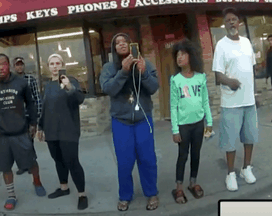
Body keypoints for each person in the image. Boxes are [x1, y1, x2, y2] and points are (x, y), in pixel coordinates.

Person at [100, 33, 159, 211]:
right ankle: (125, 195)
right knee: (124, 162)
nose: (122, 45)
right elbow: (109, 89)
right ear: (114, 49)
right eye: (117, 43)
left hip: (143, 119)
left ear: (131, 44)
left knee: (148, 159)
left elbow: (154, 87)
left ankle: (151, 193)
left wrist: (143, 73)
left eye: (124, 41)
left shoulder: (145, 63)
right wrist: (123, 72)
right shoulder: (109, 68)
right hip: (121, 122)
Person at [0, 53, 46, 210]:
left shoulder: (20, 83)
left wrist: (33, 123)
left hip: (21, 132)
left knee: (31, 162)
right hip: (2, 135)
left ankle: (37, 182)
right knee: (5, 168)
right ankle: (11, 195)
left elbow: (31, 103)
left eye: (4, 64)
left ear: (8, 66)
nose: (1, 67)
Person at [212, 8, 258, 192]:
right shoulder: (221, 45)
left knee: (250, 138)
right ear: (224, 25)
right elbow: (217, 75)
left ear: (239, 22)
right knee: (230, 141)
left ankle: (246, 168)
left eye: (234, 19)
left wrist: (253, 90)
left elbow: (252, 68)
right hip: (231, 103)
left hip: (249, 101)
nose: (232, 22)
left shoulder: (247, 42)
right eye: (228, 20)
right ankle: (230, 173)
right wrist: (230, 82)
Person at [37, 54, 87, 210]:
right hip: (52, 130)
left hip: (68, 130)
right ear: (48, 66)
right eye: (51, 63)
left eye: (58, 63)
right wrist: (40, 126)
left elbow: (79, 99)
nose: (55, 66)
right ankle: (64, 188)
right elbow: (44, 107)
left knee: (72, 161)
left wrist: (69, 87)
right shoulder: (47, 85)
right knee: (58, 160)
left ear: (63, 65)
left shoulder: (70, 81)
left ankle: (82, 194)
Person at [170, 38, 213, 204]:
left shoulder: (200, 77)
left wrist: (208, 124)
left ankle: (193, 183)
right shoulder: (175, 80)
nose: (179, 58)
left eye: (183, 54)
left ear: (191, 56)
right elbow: (173, 107)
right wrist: (175, 130)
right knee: (183, 156)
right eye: (177, 55)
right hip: (182, 126)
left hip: (198, 124)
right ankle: (179, 187)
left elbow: (205, 102)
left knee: (196, 154)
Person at [13, 57, 42, 175]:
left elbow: (37, 97)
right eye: (17, 65)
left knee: (29, 141)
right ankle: (22, 166)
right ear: (13, 67)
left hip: (29, 115)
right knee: (18, 142)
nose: (19, 67)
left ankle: (31, 164)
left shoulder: (30, 79)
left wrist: (38, 114)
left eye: (21, 65)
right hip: (16, 117)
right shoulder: (11, 80)